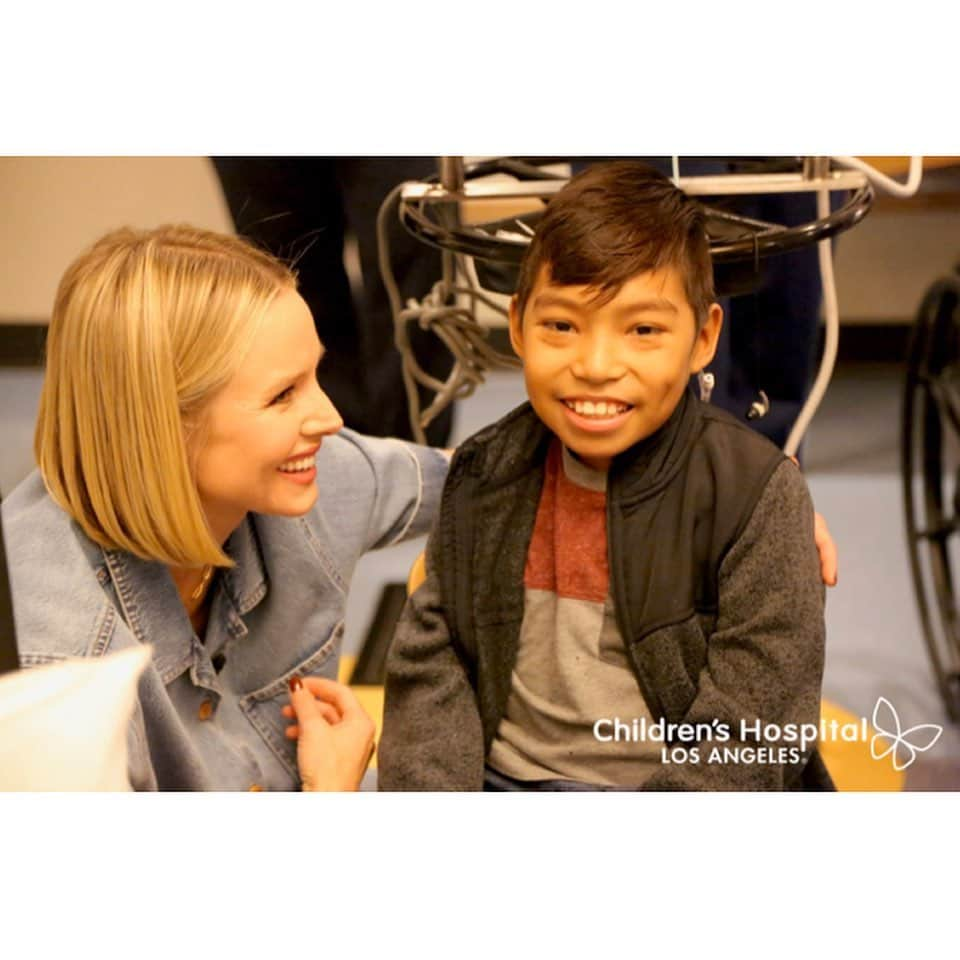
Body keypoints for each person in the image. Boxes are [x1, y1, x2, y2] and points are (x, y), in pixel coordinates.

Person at [378, 161, 832, 791]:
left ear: (703, 337)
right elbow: (434, 666)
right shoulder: (483, 472)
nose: (595, 366)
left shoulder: (756, 496)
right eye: (561, 325)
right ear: (516, 325)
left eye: (643, 330)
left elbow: (753, 728)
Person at [1, 225, 448, 791]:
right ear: (163, 424)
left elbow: (478, 473)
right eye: (282, 395)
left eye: (317, 375)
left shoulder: (306, 474)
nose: (330, 418)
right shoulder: (59, 672)